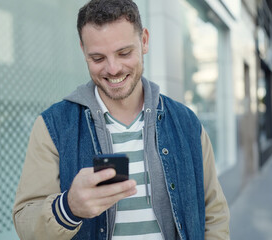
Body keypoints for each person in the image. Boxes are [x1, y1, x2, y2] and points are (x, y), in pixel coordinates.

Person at [12, 0, 230, 239]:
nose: (113, 69)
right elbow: (25, 223)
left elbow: (215, 213)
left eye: (124, 53)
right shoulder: (52, 126)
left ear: (144, 40)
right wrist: (69, 207)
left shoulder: (186, 122)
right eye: (98, 58)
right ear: (83, 50)